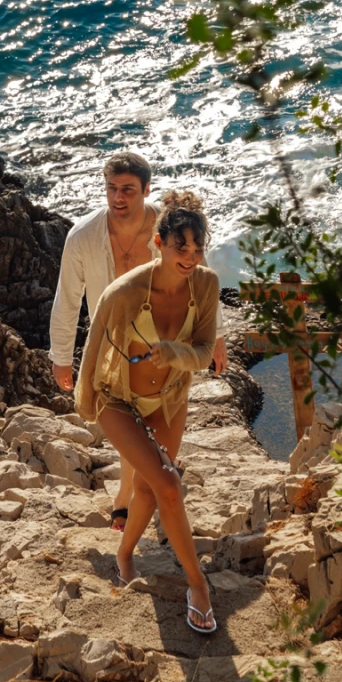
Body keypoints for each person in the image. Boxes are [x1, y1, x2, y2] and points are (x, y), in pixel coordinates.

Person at [49, 153, 226, 528]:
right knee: (129, 413)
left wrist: (218, 336)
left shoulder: (170, 227)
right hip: (117, 344)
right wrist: (61, 356)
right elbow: (67, 299)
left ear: (146, 190)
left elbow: (201, 274)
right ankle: (142, 484)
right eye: (111, 188)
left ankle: (131, 493)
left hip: (168, 335)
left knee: (154, 413)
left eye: (128, 189)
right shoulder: (83, 237)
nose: (118, 197)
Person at [74, 189, 220, 635]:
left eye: (197, 249)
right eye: (181, 247)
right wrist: (86, 403)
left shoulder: (207, 285)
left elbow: (204, 352)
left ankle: (124, 555)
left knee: (150, 489)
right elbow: (93, 344)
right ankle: (199, 586)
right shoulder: (125, 292)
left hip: (170, 398)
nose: (190, 258)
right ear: (159, 243)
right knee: (170, 484)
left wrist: (173, 352)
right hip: (119, 401)